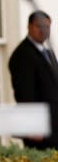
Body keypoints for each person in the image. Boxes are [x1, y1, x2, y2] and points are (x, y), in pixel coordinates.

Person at [8, 10, 58, 150]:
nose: (44, 31)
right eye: (39, 26)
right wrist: (32, 125)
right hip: (39, 131)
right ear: (29, 26)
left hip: (54, 128)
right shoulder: (22, 54)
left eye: (47, 27)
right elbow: (24, 94)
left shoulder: (49, 53)